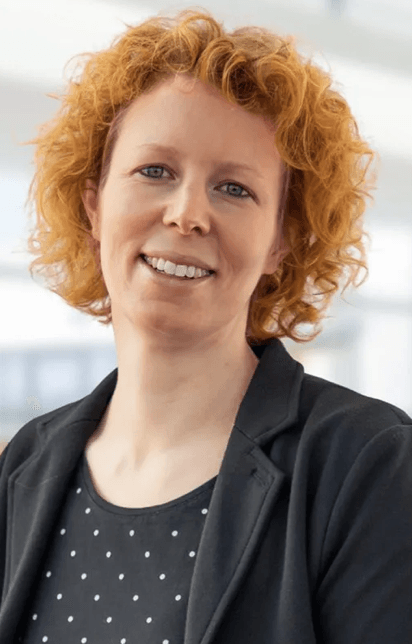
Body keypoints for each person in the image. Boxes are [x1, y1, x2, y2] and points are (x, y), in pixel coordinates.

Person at [1, 7, 411, 644]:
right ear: (94, 206)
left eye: (234, 189)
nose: (188, 213)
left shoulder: (369, 464)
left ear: (281, 242)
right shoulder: (23, 466)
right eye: (155, 171)